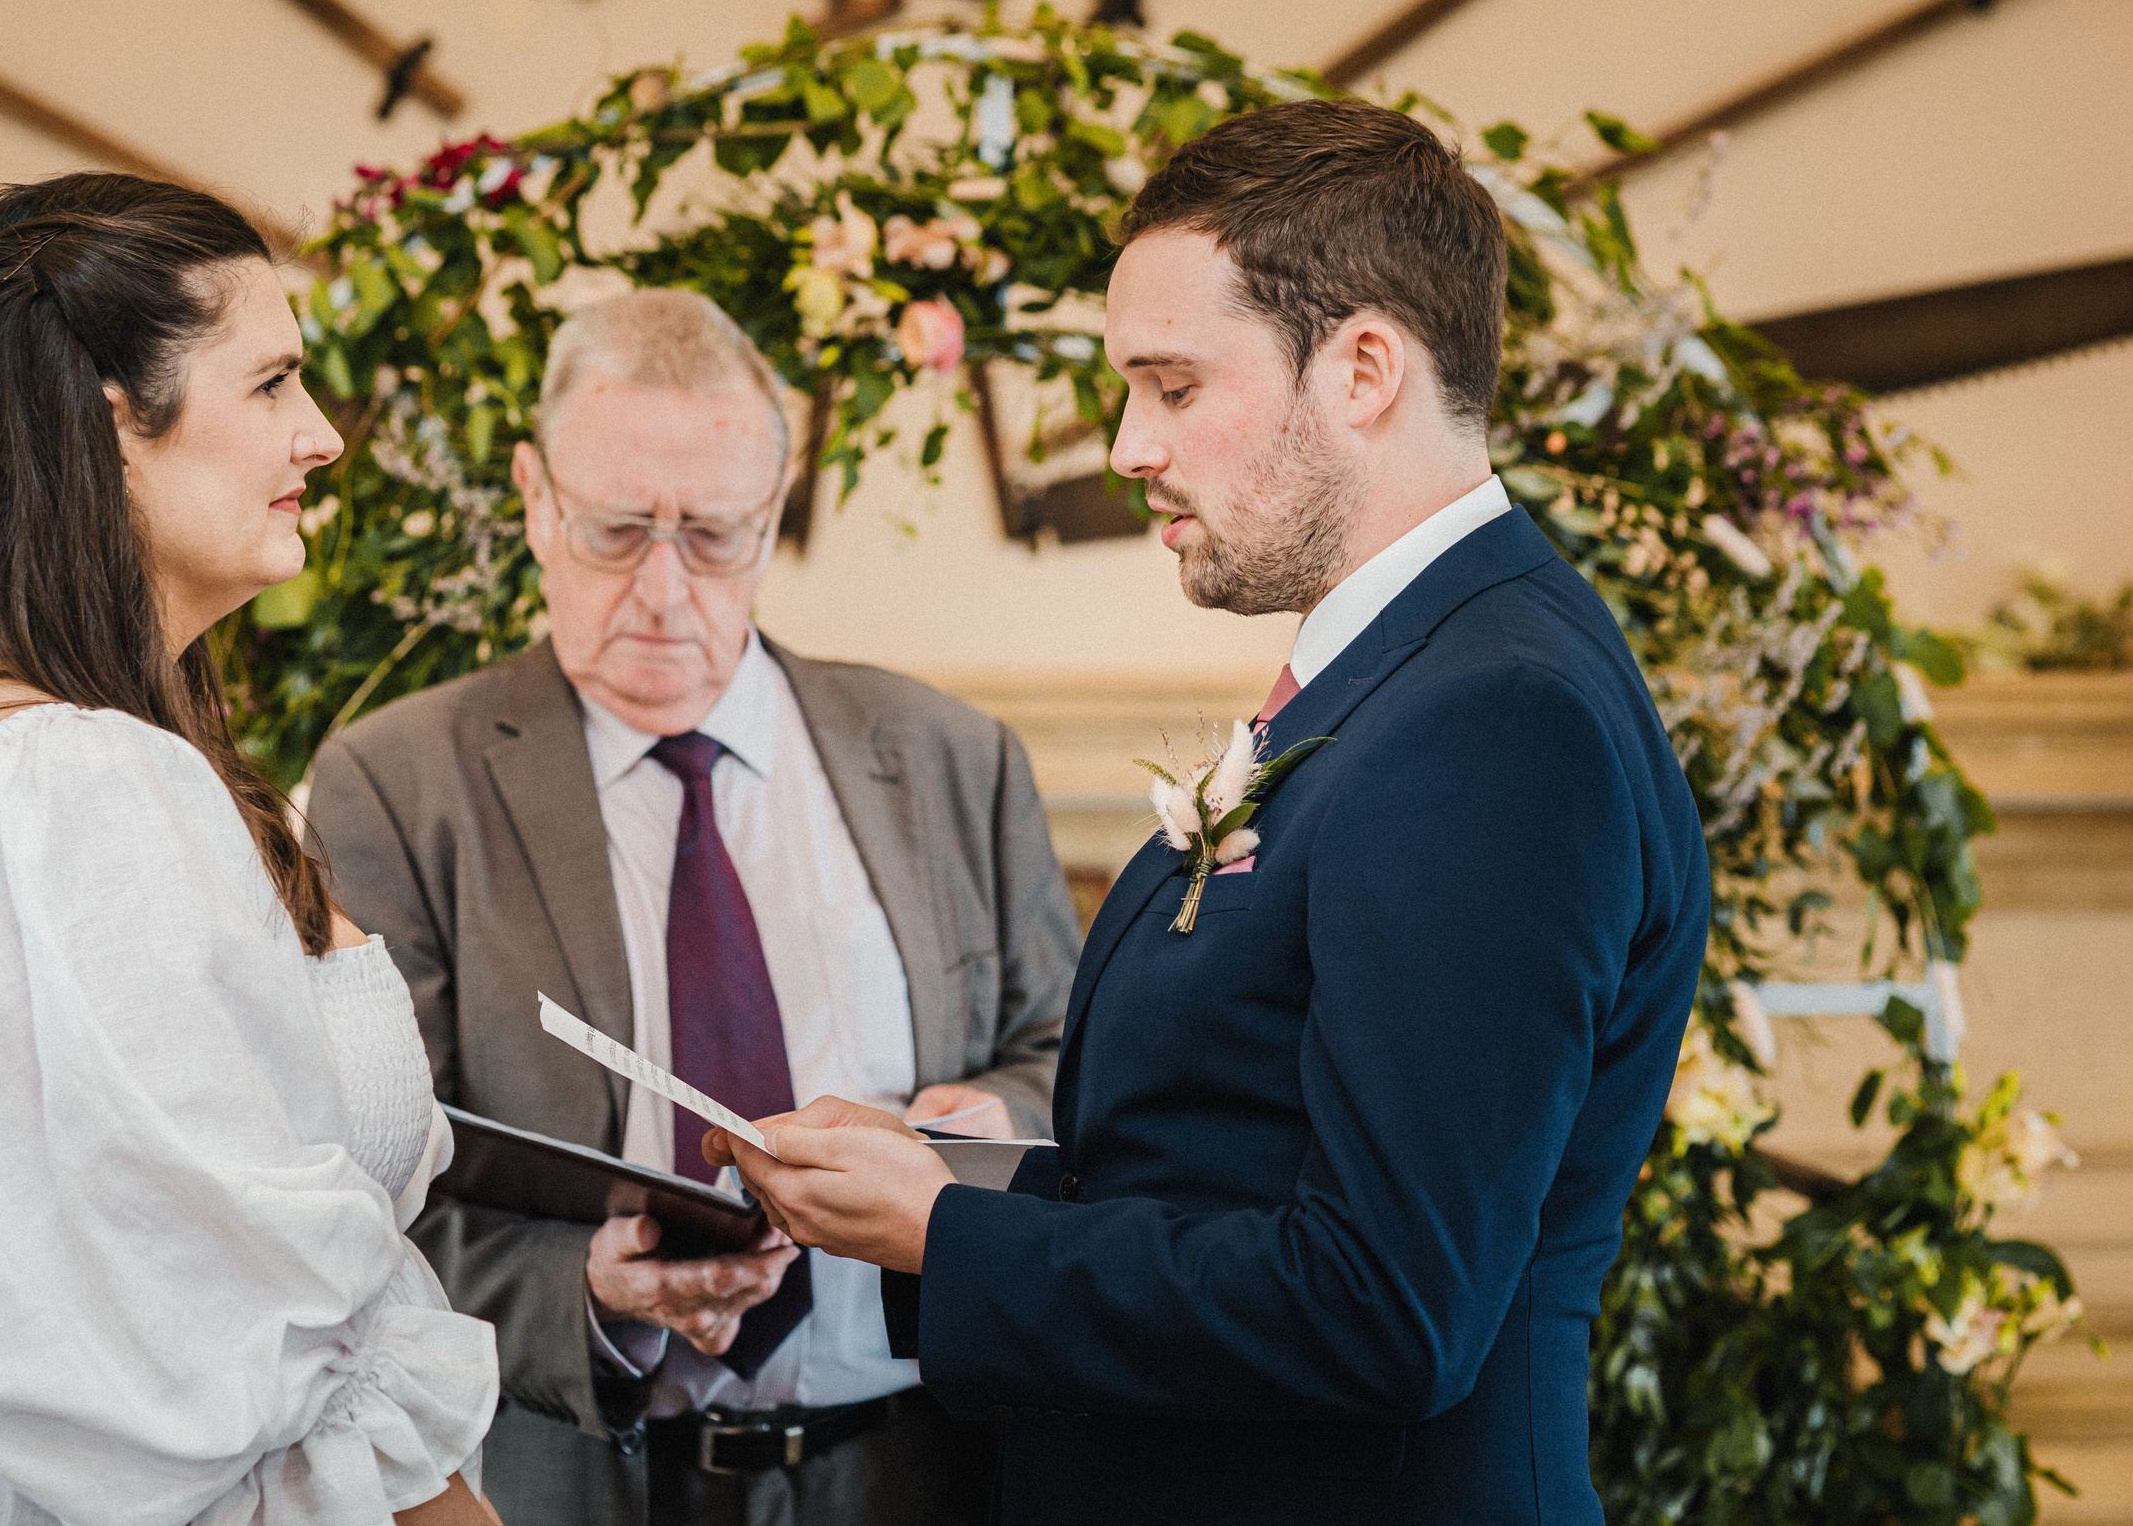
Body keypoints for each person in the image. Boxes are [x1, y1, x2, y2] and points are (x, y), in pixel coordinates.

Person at [717, 100, 1712, 1524]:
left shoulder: (1497, 719)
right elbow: (1245, 1153)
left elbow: (1384, 1304)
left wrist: (946, 1235)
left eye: (1172, 388)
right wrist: (959, 1182)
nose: (1128, 447)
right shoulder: (1411, 667)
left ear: (1365, 367)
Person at [0, 173, 501, 1526]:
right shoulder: (74, 780)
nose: (322, 439)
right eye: (273, 385)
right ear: (116, 417)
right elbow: (240, 1337)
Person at [304, 289, 1081, 1526]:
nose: (664, 591)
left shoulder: (947, 755)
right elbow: (350, 1194)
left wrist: (981, 1122)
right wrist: (586, 1289)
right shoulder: (399, 783)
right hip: (576, 1474)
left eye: (713, 536)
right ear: (534, 498)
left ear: (772, 517)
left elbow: (1068, 1064)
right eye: (617, 531)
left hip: (919, 1464)